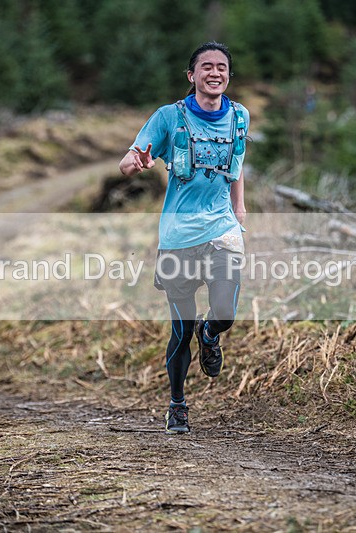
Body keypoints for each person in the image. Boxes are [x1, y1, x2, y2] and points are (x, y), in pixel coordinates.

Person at [119, 41, 249, 434]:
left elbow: (237, 165)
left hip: (222, 229)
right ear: (191, 76)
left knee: (223, 311)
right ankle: (177, 405)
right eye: (206, 67)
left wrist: (239, 208)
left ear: (228, 75)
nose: (215, 73)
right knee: (181, 329)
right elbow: (128, 162)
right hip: (179, 237)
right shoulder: (167, 118)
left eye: (221, 67)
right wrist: (137, 164)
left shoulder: (239, 116)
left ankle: (211, 335)